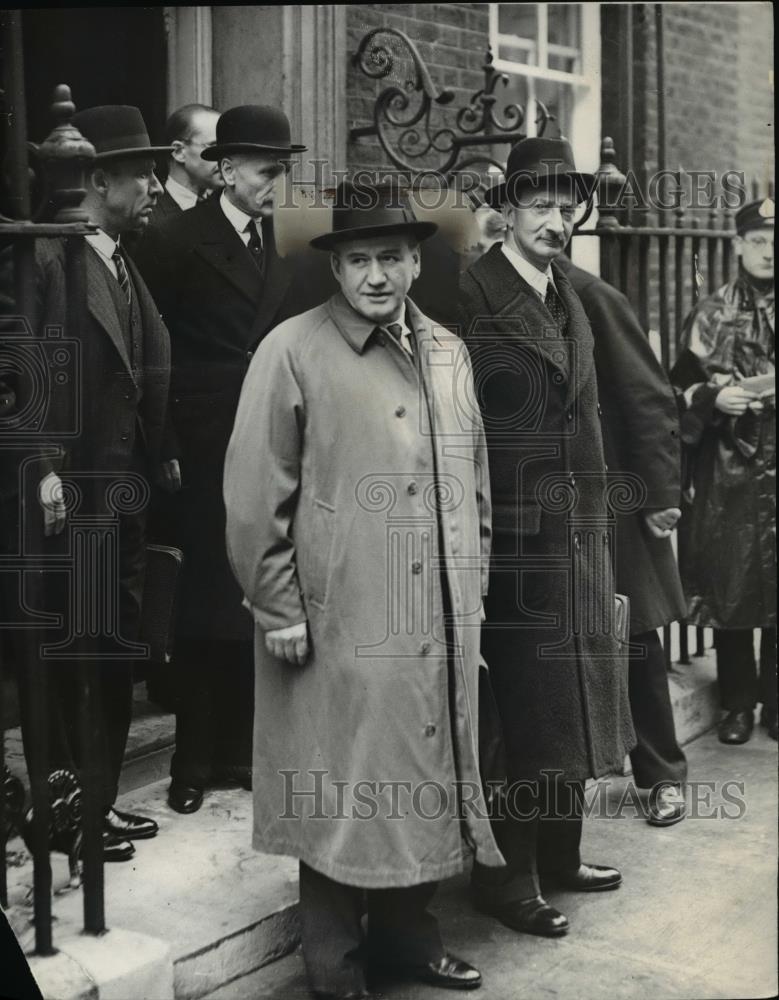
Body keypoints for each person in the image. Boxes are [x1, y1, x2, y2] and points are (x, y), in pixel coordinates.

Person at [223, 180, 503, 999]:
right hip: (340, 613)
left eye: (390, 257)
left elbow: (473, 482)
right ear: (336, 269)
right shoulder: (290, 350)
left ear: (415, 262)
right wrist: (276, 606)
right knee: (340, 786)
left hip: (437, 611)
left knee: (424, 770)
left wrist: (471, 589)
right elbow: (251, 496)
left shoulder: (448, 350)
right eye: (357, 260)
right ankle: (335, 965)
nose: (375, 275)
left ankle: (412, 943)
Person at [459, 137, 635, 938]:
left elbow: (589, 415)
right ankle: (508, 879)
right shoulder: (470, 291)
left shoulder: (568, 291)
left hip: (577, 529)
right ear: (506, 210)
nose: (555, 221)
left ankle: (560, 858)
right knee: (522, 710)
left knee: (573, 704)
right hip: (514, 536)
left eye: (567, 208)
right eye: (539, 206)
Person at [134, 105, 310, 814]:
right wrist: (166, 444)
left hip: (267, 442)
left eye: (281, 172)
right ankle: (191, 760)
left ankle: (241, 752)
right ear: (226, 169)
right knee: (203, 609)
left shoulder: (280, 244)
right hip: (202, 447)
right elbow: (150, 352)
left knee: (254, 595)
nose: (276, 184)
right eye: (266, 172)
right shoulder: (174, 240)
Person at [10, 105, 173, 860]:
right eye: (141, 172)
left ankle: (98, 802)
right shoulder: (44, 256)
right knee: (69, 651)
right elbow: (22, 369)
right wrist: (41, 464)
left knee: (111, 651)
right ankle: (63, 812)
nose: (153, 184)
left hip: (124, 491)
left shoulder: (119, 256)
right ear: (96, 179)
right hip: (72, 494)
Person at [557, 254, 689, 827]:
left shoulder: (591, 293)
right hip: (535, 501)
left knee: (632, 633)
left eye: (559, 206)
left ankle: (661, 776)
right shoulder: (478, 291)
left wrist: (661, 491)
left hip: (608, 496)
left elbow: (647, 393)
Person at [671, 197, 776, 744]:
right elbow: (675, 388)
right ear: (737, 246)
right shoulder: (710, 312)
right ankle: (736, 703)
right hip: (730, 472)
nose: (767, 252)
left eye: (774, 241)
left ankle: (777, 706)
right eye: (757, 240)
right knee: (732, 583)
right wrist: (716, 400)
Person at [154, 103, 223, 221]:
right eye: (214, 146)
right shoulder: (149, 216)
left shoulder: (226, 211)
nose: (224, 158)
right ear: (179, 152)